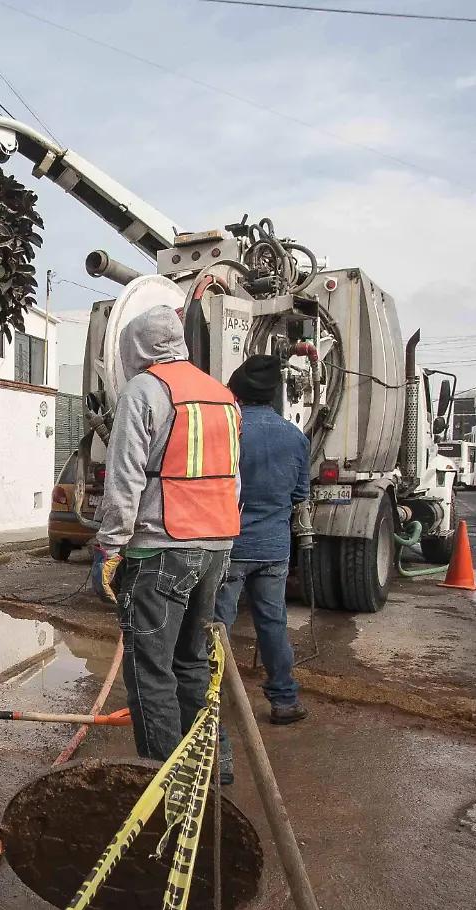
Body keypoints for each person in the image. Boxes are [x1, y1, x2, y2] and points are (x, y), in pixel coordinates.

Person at [94, 305, 241, 768]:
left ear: (135, 347)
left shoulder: (145, 390)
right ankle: (212, 766)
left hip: (161, 548)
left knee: (151, 671)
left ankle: (165, 782)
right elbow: (234, 477)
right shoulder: (222, 395)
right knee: (192, 663)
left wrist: (111, 546)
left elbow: (125, 476)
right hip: (216, 546)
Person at [215, 354, 310, 724]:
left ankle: (213, 703)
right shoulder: (295, 436)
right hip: (274, 547)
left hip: (232, 546)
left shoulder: (228, 431)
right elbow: (299, 492)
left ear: (236, 391)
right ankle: (285, 701)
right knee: (273, 623)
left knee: (218, 625)